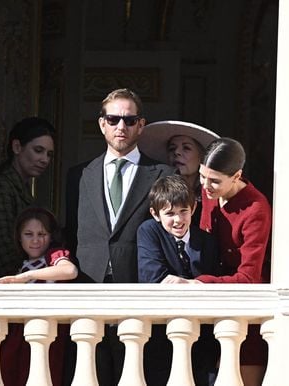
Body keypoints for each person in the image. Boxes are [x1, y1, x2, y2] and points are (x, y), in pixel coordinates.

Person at [64, 88, 173, 385]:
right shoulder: (79, 175)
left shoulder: (162, 173)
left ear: (141, 124)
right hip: (88, 288)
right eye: (113, 119)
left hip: (139, 289)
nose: (120, 126)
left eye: (129, 119)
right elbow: (71, 234)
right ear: (102, 124)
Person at [166, 137, 272, 386]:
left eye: (215, 180)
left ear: (237, 176)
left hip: (245, 314)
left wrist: (198, 282)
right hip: (210, 310)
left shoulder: (256, 209)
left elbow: (249, 278)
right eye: (203, 176)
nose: (206, 186)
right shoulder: (207, 193)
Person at [137, 175, 220, 386]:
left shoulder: (207, 241)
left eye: (183, 211)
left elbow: (214, 281)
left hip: (202, 336)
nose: (178, 220)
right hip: (161, 334)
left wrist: (188, 283)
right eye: (169, 213)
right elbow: (153, 276)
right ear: (155, 214)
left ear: (193, 209)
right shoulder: (149, 231)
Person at [0, 207, 78, 386]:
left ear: (51, 236)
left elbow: (69, 270)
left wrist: (28, 276)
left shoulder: (53, 255)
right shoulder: (22, 264)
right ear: (19, 237)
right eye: (28, 234)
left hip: (47, 333)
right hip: (19, 334)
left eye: (42, 234)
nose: (35, 240)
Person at [0, 117, 56, 283]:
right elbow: (4, 251)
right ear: (17, 147)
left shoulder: (21, 188)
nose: (45, 160)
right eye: (38, 150)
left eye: (49, 154)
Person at [138, 120, 219, 225]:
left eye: (186, 148)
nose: (177, 152)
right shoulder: (155, 192)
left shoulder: (212, 196)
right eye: (172, 149)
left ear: (202, 157)